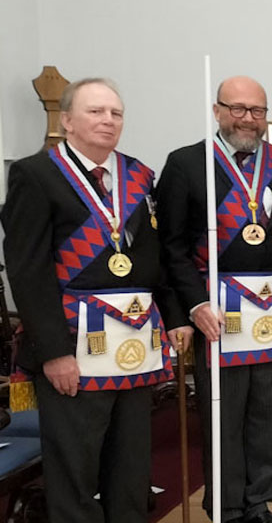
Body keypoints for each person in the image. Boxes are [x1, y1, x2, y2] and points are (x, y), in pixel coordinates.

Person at [3, 77, 191, 522]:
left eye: (116, 113)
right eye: (95, 111)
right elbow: (28, 270)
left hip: (135, 346)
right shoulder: (35, 175)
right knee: (75, 470)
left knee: (130, 466)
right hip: (74, 348)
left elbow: (154, 259)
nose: (108, 120)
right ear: (67, 120)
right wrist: (54, 353)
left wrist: (176, 316)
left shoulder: (138, 175)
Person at [157, 75, 272, 523]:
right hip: (218, 314)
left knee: (271, 414)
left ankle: (260, 502)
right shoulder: (187, 164)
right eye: (238, 108)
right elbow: (172, 246)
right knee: (225, 420)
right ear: (218, 110)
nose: (248, 118)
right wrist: (192, 305)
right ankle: (226, 507)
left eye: (257, 110)